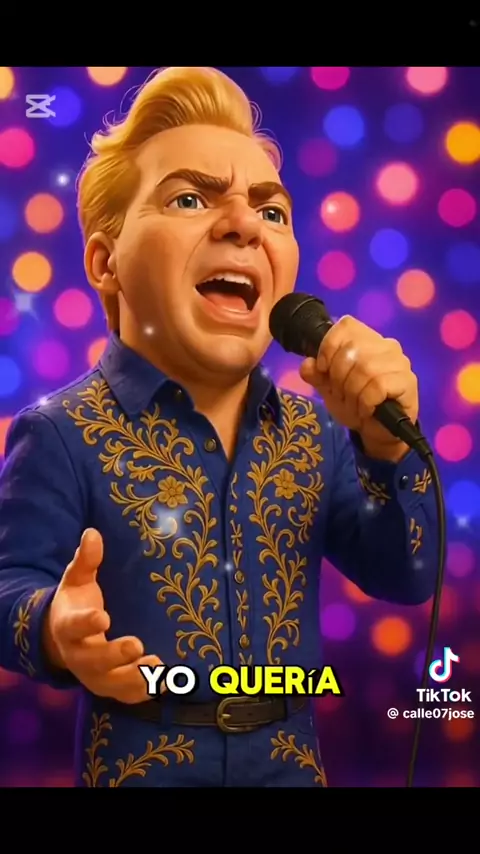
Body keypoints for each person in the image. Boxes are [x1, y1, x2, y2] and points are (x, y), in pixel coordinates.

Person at [0, 66, 437, 788]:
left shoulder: (315, 436)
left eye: (272, 211)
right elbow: (8, 580)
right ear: (106, 263)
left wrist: (388, 445)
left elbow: (409, 574)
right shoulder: (61, 433)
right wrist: (52, 626)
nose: (243, 224)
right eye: (190, 198)